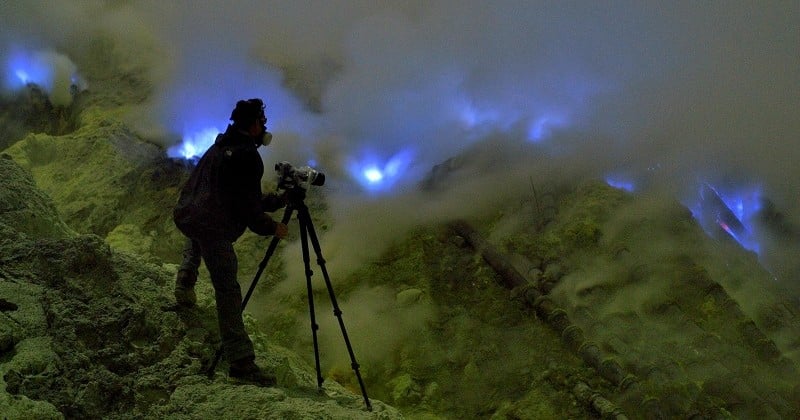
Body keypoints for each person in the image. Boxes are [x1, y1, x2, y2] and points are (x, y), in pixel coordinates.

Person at [172, 98, 289, 386]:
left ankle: (185, 281)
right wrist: (273, 226)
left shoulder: (221, 145)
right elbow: (249, 211)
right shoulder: (248, 156)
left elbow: (231, 196)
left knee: (198, 231)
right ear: (253, 125)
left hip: (191, 214)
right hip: (212, 226)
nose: (265, 127)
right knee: (227, 289)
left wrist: (274, 201)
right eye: (262, 122)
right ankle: (240, 363)